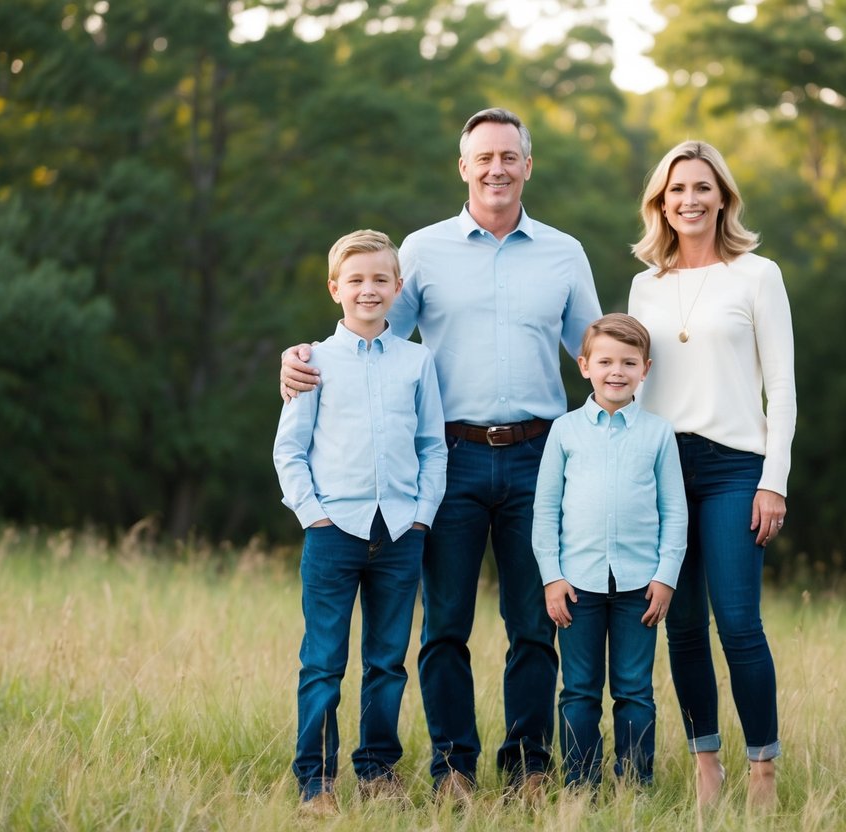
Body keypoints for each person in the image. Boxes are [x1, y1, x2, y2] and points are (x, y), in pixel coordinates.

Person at [280, 108, 602, 799]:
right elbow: (366, 339)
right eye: (482, 157)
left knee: (534, 623)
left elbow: (598, 357)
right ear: (462, 167)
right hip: (445, 460)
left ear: (527, 165)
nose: (496, 168)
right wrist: (298, 360)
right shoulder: (419, 251)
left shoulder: (563, 253)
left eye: (508, 156)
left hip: (537, 458)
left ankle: (527, 768)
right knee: (444, 626)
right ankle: (453, 767)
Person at [627, 140, 796, 809]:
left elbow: (780, 387)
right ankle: (705, 767)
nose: (689, 200)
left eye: (702, 188)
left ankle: (762, 771)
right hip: (663, 467)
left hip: (734, 468)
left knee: (737, 623)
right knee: (681, 626)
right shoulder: (647, 284)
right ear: (659, 203)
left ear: (722, 196)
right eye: (676, 190)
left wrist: (773, 479)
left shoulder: (757, 276)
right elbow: (633, 388)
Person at [272, 229, 447, 814]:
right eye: (356, 280)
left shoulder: (417, 360)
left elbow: (433, 446)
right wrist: (313, 516)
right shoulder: (312, 362)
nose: (368, 290)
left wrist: (422, 517)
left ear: (398, 287)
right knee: (323, 660)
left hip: (399, 533)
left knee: (387, 662)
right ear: (334, 288)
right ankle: (315, 782)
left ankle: (376, 771)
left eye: (380, 279)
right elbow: (289, 450)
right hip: (333, 532)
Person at [532, 313, 687, 789]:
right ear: (584, 366)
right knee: (578, 691)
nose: (616, 371)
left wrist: (665, 577)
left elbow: (674, 512)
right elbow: (544, 513)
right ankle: (580, 786)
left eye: (629, 362)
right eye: (605, 361)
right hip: (576, 585)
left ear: (646, 369)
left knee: (635, 691)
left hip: (640, 586)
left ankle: (635, 786)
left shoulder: (659, 434)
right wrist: (552, 577)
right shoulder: (564, 431)